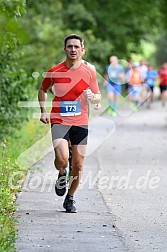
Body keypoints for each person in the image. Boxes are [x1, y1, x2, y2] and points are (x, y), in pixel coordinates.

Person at [38, 34, 101, 213]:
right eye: (70, 46)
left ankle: (70, 198)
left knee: (79, 164)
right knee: (62, 158)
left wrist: (93, 97)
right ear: (65, 49)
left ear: (83, 50)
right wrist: (43, 111)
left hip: (80, 122)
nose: (73, 50)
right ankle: (61, 172)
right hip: (59, 120)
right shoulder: (55, 71)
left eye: (76, 47)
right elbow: (42, 89)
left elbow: (97, 96)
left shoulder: (89, 72)